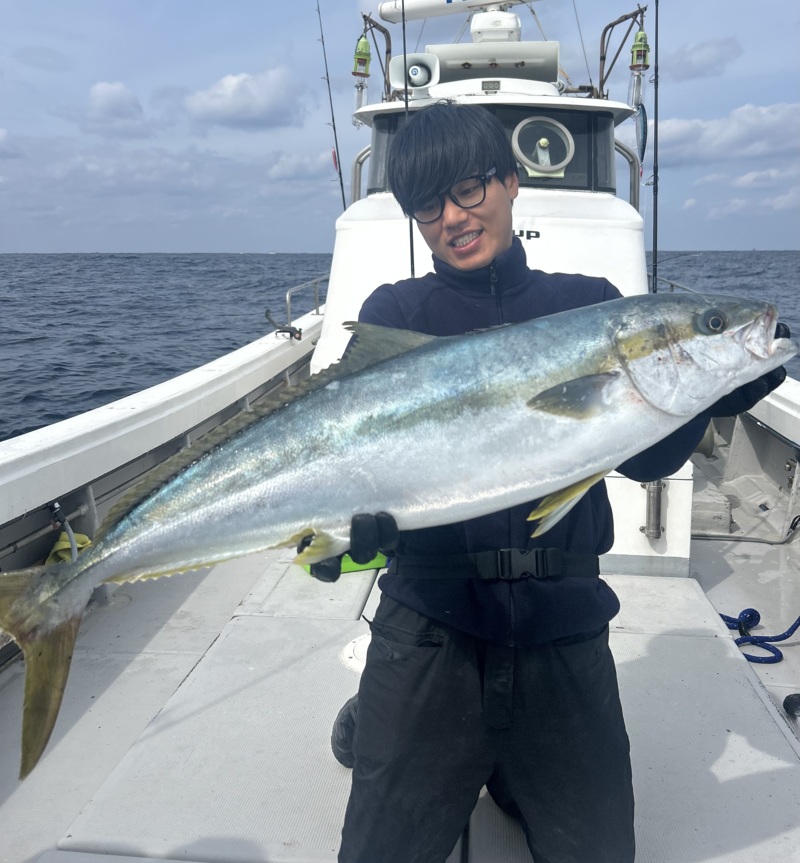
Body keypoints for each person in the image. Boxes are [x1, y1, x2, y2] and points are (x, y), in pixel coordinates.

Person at [314, 102, 786, 863]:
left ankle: (494, 760)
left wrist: (709, 395)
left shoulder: (587, 302)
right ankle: (400, 723)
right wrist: (348, 535)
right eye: (428, 205)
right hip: (429, 623)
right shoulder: (395, 312)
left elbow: (641, 462)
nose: (453, 217)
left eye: (469, 189)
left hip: (562, 626)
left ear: (510, 181)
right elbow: (355, 469)